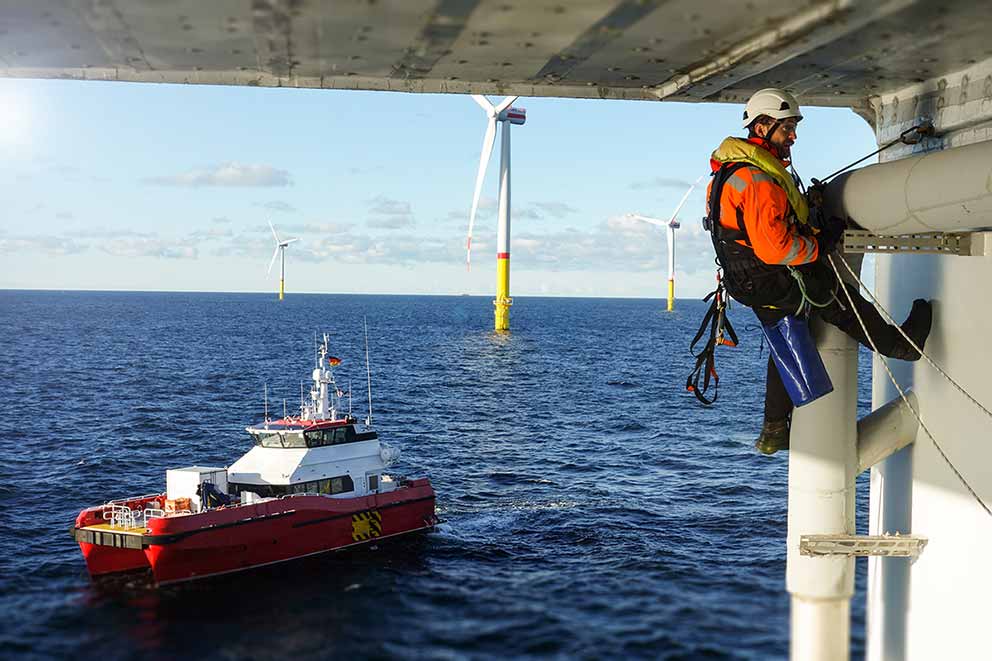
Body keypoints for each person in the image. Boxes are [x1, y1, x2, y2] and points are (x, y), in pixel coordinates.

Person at [704, 88, 932, 455]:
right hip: (771, 277)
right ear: (762, 126)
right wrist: (821, 244)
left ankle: (774, 430)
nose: (793, 136)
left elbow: (760, 229)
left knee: (788, 339)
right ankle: (901, 346)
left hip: (746, 280)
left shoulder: (730, 172)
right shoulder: (759, 180)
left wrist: (808, 218)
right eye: (786, 128)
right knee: (839, 300)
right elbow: (776, 247)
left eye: (794, 127)